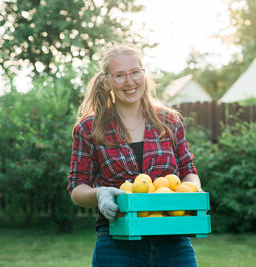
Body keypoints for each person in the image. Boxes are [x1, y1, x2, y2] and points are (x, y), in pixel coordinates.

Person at [67, 43, 202, 267]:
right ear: (107, 81)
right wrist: (100, 194)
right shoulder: (89, 127)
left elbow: (189, 172)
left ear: (144, 74)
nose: (130, 82)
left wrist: (191, 190)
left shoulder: (168, 122)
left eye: (135, 72)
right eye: (120, 75)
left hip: (173, 242)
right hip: (116, 245)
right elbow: (77, 188)